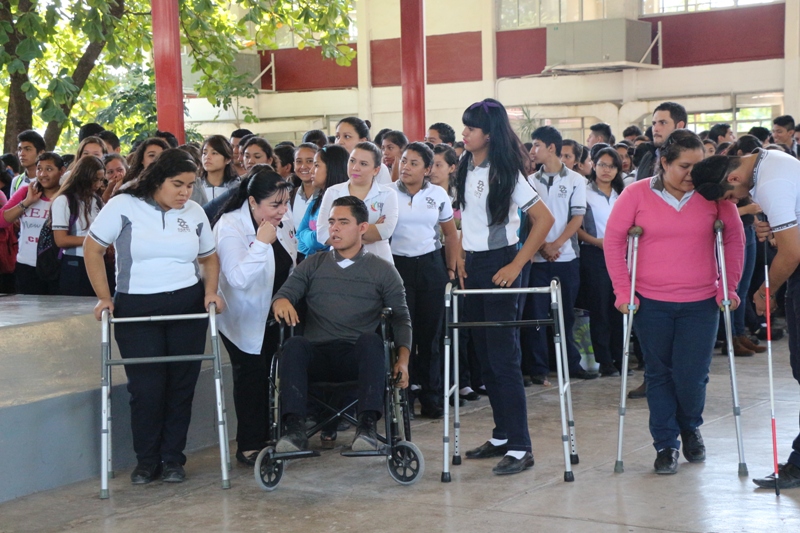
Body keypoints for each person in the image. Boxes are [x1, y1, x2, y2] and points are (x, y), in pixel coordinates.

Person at [605, 129, 744, 475]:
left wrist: (729, 287)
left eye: (698, 167)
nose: (692, 175)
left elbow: (734, 240)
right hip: (651, 302)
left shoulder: (712, 195)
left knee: (692, 376)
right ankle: (666, 443)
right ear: (664, 163)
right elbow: (614, 241)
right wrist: (623, 290)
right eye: (684, 166)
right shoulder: (636, 194)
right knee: (659, 374)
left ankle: (690, 426)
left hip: (701, 302)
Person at [84, 148, 224, 485]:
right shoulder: (124, 204)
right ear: (158, 179)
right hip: (137, 306)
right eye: (178, 184)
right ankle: (147, 461)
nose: (185, 192)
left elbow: (208, 257)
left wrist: (210, 291)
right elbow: (93, 248)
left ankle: (173, 459)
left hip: (186, 306)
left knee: (181, 386)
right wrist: (104, 297)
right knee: (146, 389)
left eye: (190, 185)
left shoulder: (194, 212)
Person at [692, 143, 800, 489]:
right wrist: (777, 231)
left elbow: (792, 252)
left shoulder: (768, 183)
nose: (739, 199)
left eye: (732, 196)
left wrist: (765, 291)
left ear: (734, 177)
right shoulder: (768, 158)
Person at [455, 99, 554, 476]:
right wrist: (460, 253)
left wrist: (516, 265)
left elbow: (543, 219)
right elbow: (469, 220)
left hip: (501, 264)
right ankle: (501, 435)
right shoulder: (464, 165)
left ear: (489, 134)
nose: (464, 133)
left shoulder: (507, 171)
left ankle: (520, 445)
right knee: (484, 357)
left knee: (504, 358)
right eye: (464, 127)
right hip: (473, 266)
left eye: (471, 128)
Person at [271, 196, 412, 453]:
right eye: (332, 222)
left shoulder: (383, 270)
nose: (334, 228)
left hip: (356, 357)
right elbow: (285, 293)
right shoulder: (312, 264)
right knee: (293, 345)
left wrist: (402, 361)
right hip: (317, 354)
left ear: (362, 228)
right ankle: (294, 429)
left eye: (343, 222)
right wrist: (281, 301)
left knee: (372, 341)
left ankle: (367, 427)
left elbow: (401, 318)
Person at [213, 165, 296, 466]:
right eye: (275, 205)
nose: (282, 210)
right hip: (242, 316)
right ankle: (249, 444)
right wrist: (261, 243)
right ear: (252, 202)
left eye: (285, 203)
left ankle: (277, 434)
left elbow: (290, 264)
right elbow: (237, 278)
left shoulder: (282, 220)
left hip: (275, 312)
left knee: (275, 374)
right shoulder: (230, 226)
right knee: (251, 376)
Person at [389, 142, 460, 418]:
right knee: (402, 334)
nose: (405, 167)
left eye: (414, 163)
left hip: (431, 266)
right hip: (398, 267)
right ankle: (403, 397)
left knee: (431, 335)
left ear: (427, 169)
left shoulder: (438, 194)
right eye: (404, 161)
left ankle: (432, 395)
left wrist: (451, 270)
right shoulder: (387, 194)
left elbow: (450, 234)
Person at [524, 126, 595, 382]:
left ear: (551, 148)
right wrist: (542, 245)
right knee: (537, 316)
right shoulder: (530, 181)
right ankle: (538, 368)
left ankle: (569, 364)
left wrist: (556, 245)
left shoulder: (576, 180)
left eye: (536, 145)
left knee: (565, 315)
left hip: (566, 258)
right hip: (537, 258)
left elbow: (577, 218)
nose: (532, 151)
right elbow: (530, 219)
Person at [576, 147, 625, 376]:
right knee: (600, 308)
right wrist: (596, 242)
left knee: (619, 307)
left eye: (612, 166)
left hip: (621, 255)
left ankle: (620, 357)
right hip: (594, 254)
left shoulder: (622, 194)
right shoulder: (584, 192)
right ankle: (604, 360)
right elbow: (575, 227)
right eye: (602, 165)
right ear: (593, 165)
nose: (607, 170)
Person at [316, 142, 398, 264]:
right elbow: (322, 233)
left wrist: (341, 231)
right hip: (340, 262)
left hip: (378, 262)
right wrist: (370, 231)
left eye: (363, 164)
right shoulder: (333, 192)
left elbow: (385, 231)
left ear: (376, 170)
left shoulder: (388, 194)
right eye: (352, 161)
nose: (355, 168)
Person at [0, 152, 65, 294]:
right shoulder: (26, 192)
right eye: (39, 169)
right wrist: (27, 202)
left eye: (49, 169)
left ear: (61, 171)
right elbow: (2, 220)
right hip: (26, 266)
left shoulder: (68, 197)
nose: (42, 174)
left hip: (58, 266)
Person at [52, 155, 105, 296]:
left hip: (98, 260)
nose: (98, 184)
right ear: (84, 177)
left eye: (101, 180)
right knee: (74, 306)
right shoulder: (64, 200)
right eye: (95, 179)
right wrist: (94, 240)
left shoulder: (96, 199)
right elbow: (61, 240)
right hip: (74, 263)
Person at [296, 144, 349, 257]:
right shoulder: (316, 202)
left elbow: (318, 240)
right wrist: (315, 245)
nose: (311, 170)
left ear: (332, 168)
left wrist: (312, 240)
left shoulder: (345, 204)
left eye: (316, 165)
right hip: (313, 263)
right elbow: (299, 237)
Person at [636, 102, 688, 182]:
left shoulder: (691, 158)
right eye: (654, 123)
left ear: (680, 126)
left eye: (663, 123)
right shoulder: (648, 156)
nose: (656, 129)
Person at [334, 117, 392, 185]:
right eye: (337, 137)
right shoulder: (330, 165)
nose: (339, 142)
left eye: (347, 136)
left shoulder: (378, 169)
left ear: (362, 141)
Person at [290, 143, 319, 238]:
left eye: (310, 161)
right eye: (299, 161)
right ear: (294, 165)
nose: (303, 166)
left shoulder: (328, 194)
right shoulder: (290, 196)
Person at [199, 135, 240, 201]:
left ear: (227, 159)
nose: (207, 157)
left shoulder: (236, 187)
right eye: (204, 153)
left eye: (214, 153)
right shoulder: (195, 185)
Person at [11, 130, 46, 196]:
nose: (22, 154)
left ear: (41, 153)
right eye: (20, 149)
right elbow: (12, 203)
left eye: (27, 149)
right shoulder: (16, 181)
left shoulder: (48, 180)